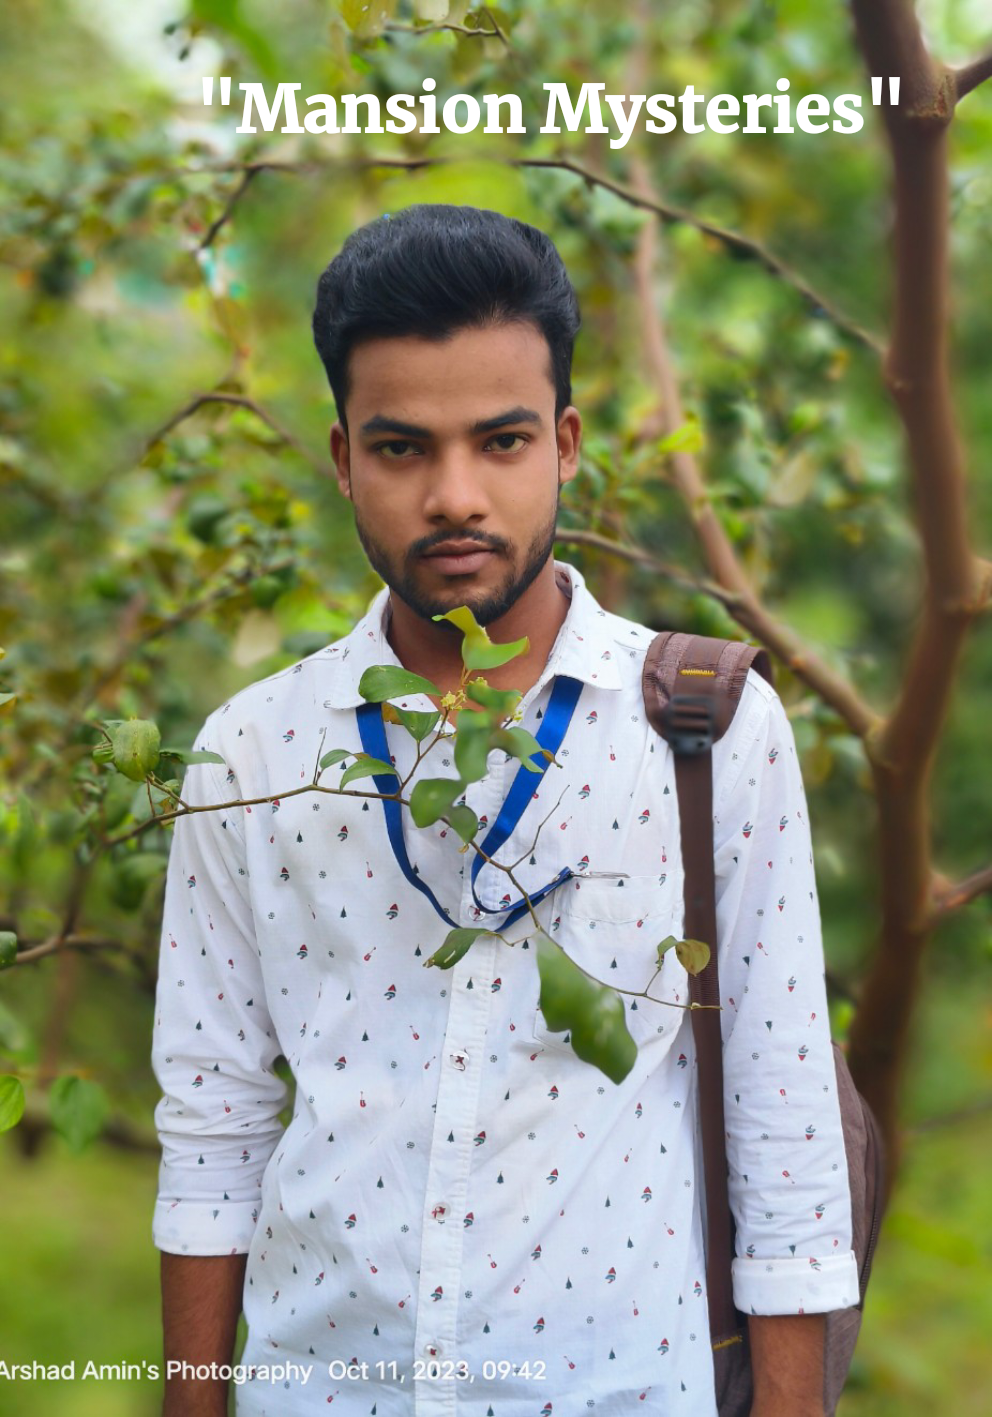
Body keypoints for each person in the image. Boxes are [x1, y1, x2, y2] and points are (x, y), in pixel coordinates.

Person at [153, 204, 858, 1417]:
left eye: (501, 440)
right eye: (401, 449)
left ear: (565, 444)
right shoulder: (253, 752)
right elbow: (214, 1127)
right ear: (342, 458)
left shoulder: (706, 731)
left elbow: (782, 1124)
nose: (453, 496)